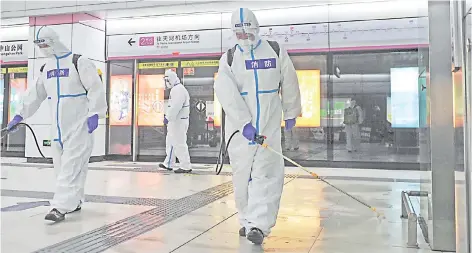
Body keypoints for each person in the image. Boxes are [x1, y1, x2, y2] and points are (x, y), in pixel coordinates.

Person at [214, 8, 302, 245]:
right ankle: (246, 219)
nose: (245, 38)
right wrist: (243, 122)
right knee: (242, 176)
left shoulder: (274, 50)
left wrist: (291, 111)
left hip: (269, 124)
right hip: (240, 130)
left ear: (256, 27)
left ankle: (258, 225)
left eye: (248, 32)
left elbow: (289, 79)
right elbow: (225, 92)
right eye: (239, 34)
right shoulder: (230, 58)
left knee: (267, 174)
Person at [6, 26, 107, 222]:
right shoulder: (47, 68)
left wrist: (95, 113)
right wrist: (19, 116)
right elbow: (34, 95)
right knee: (63, 169)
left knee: (71, 168)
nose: (43, 48)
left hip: (79, 126)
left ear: (54, 41)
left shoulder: (79, 62)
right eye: (40, 45)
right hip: (57, 129)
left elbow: (96, 88)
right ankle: (75, 200)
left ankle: (59, 208)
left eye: (45, 43)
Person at [159, 69, 192, 174]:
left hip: (178, 122)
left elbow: (175, 107)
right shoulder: (177, 89)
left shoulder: (178, 90)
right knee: (171, 142)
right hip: (176, 121)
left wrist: (168, 117)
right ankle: (169, 163)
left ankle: (185, 165)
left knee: (179, 143)